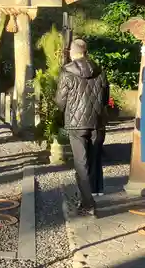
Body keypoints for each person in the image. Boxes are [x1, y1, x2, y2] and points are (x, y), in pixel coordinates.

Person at [56, 39, 109, 215]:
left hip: (76, 123)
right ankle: (87, 198)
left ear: (73, 52)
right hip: (97, 122)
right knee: (93, 162)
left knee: (81, 163)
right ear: (85, 52)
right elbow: (104, 97)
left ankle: (88, 203)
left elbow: (60, 100)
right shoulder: (100, 70)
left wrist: (68, 111)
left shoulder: (66, 72)